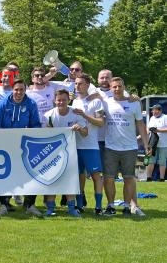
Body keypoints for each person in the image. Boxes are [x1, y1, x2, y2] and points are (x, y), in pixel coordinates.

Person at [0, 78, 42, 216]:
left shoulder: (31, 104)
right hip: (5, 145)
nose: (19, 92)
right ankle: (4, 204)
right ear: (12, 90)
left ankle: (29, 204)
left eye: (22, 90)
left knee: (30, 173)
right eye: (16, 90)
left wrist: (28, 137)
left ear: (25, 91)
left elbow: (36, 125)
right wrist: (4, 138)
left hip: (24, 146)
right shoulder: (3, 104)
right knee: (4, 174)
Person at [102, 77, 148, 216]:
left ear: (124, 87)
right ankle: (110, 206)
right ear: (110, 88)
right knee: (108, 178)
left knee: (129, 178)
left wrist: (146, 145)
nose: (117, 89)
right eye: (114, 87)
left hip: (129, 147)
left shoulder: (134, 103)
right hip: (110, 147)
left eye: (119, 86)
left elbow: (140, 124)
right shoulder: (105, 103)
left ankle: (127, 206)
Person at [43, 89, 88, 217]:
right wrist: (47, 130)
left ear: (69, 100)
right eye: (59, 100)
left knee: (70, 181)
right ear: (54, 101)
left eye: (64, 100)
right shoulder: (49, 115)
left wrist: (79, 129)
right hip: (53, 153)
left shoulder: (75, 114)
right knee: (52, 180)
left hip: (70, 153)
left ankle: (71, 208)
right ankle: (50, 208)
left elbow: (86, 134)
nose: (61, 102)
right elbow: (43, 135)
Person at [71, 74, 105, 215]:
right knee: (79, 176)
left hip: (91, 145)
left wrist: (85, 115)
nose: (77, 86)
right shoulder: (73, 102)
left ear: (87, 85)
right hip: (75, 145)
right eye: (76, 83)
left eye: (80, 83)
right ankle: (80, 205)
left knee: (96, 175)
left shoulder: (96, 102)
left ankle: (98, 206)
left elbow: (100, 122)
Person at [146, 104, 167, 181]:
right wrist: (139, 137)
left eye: (155, 110)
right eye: (152, 110)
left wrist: (158, 130)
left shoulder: (165, 117)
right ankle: (148, 178)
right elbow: (148, 130)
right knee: (151, 161)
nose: (153, 112)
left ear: (160, 111)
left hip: (164, 144)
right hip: (152, 144)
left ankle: (162, 179)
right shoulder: (152, 118)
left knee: (162, 162)